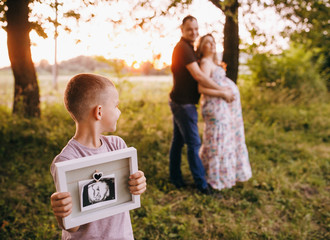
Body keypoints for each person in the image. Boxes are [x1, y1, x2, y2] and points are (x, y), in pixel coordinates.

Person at [50, 73, 147, 239]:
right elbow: (72, 227)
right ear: (99, 112)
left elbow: (127, 193)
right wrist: (62, 213)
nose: (119, 111)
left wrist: (137, 185)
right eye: (116, 106)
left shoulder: (117, 146)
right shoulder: (66, 161)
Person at [169, 15, 235, 195]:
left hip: (181, 101)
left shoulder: (188, 47)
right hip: (184, 104)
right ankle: (202, 185)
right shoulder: (183, 48)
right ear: (182, 29)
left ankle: (175, 178)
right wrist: (222, 91)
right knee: (194, 144)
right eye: (190, 29)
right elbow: (199, 76)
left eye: (196, 29)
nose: (194, 32)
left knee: (178, 142)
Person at [196, 34, 252, 190]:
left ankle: (221, 175)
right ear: (201, 47)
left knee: (221, 139)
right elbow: (201, 88)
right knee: (217, 140)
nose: (212, 45)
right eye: (207, 43)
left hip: (222, 108)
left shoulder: (213, 63)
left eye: (213, 42)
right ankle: (214, 178)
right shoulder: (206, 63)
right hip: (215, 108)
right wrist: (223, 93)